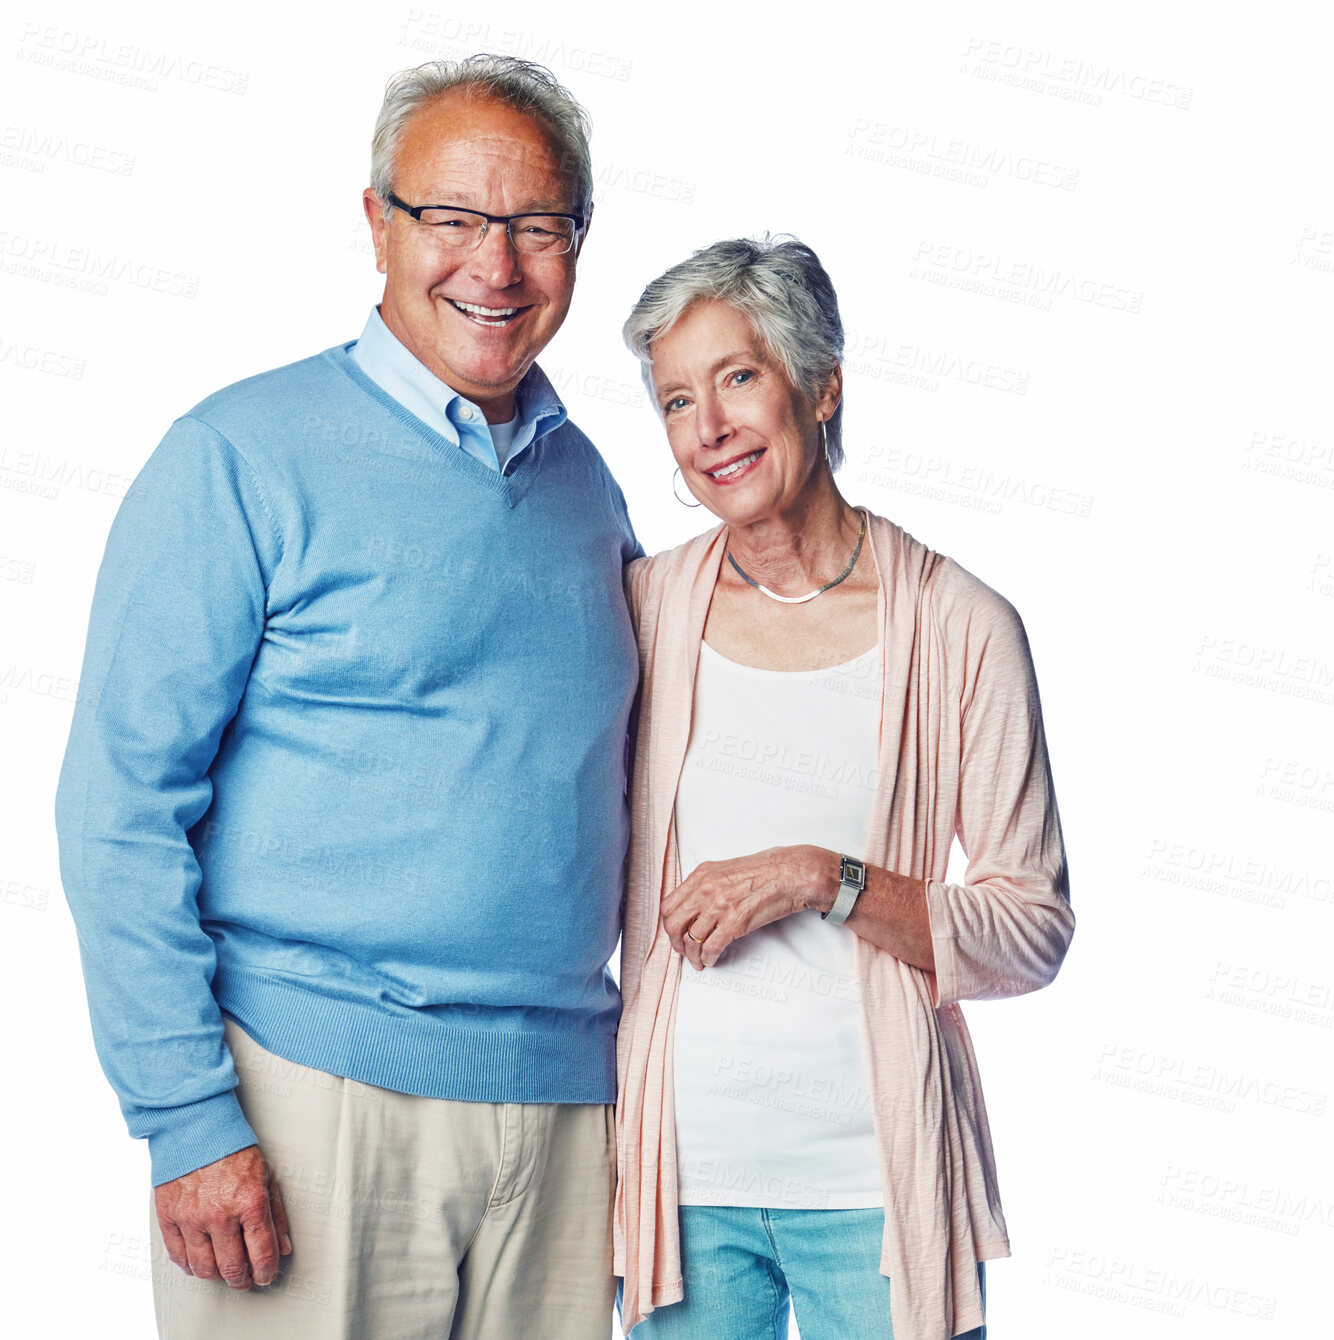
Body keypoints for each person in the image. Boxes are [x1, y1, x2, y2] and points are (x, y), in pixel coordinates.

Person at [54, 55, 639, 1338]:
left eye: (538, 226)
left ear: (577, 247)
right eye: (453, 217)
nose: (496, 263)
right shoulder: (238, 456)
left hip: (567, 1106)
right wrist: (187, 1115)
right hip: (310, 1098)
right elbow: (117, 807)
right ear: (376, 222)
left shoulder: (589, 486)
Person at [611, 236, 1075, 1340]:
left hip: (876, 1192)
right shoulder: (643, 608)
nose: (707, 428)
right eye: (677, 399)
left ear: (820, 386)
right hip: (682, 1187)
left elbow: (1032, 924)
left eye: (737, 376)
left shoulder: (962, 626)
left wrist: (822, 875)